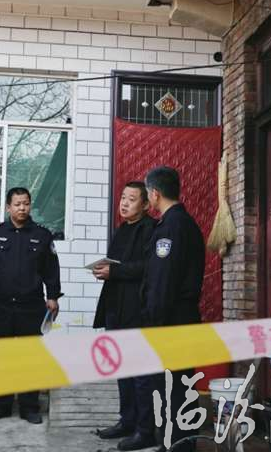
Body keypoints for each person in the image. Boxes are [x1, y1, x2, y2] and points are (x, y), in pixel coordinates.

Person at [0, 187, 62, 425]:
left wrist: (53, 296)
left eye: (26, 203)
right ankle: (1, 405)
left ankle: (29, 407)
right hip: (2, 306)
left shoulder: (42, 235)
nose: (22, 208)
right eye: (17, 204)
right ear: (8, 207)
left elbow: (51, 270)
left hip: (31, 306)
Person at [141, 166, 205, 452]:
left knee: (172, 387)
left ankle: (177, 445)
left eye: (147, 194)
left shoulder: (171, 227)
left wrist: (153, 322)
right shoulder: (185, 223)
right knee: (179, 385)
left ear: (155, 194)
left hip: (170, 321)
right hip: (182, 318)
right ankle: (179, 443)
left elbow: (162, 282)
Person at [93, 182, 157, 451]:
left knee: (140, 373)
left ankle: (145, 430)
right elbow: (118, 266)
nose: (124, 203)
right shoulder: (121, 230)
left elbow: (149, 267)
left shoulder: (150, 229)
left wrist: (115, 272)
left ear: (146, 204)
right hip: (115, 309)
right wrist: (104, 270)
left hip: (136, 311)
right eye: (123, 198)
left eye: (132, 199)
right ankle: (127, 421)